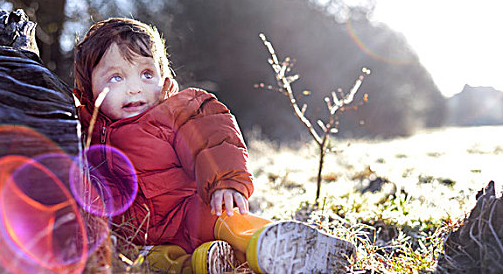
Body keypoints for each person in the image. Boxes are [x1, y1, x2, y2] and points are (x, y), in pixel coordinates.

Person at [74, 18, 355, 274]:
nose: (135, 88)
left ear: (163, 77)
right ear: (89, 90)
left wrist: (224, 180)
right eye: (116, 78)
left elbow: (212, 137)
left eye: (147, 74)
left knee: (229, 219)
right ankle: (208, 262)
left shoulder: (176, 111)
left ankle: (277, 245)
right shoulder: (81, 129)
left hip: (187, 212)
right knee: (147, 262)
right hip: (135, 235)